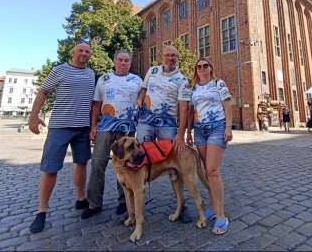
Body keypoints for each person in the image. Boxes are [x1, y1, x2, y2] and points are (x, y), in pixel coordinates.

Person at [28, 41, 96, 233]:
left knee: (81, 163)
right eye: (81, 50)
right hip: (60, 126)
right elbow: (43, 92)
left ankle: (81, 199)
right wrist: (34, 116)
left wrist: (93, 125)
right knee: (50, 168)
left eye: (87, 51)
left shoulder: (91, 74)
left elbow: (93, 102)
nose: (84, 53)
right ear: (73, 52)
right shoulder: (60, 70)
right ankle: (41, 211)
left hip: (82, 127)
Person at [80, 49, 143, 220]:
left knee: (125, 165)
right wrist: (93, 126)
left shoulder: (137, 80)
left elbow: (143, 99)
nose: (124, 63)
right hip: (105, 128)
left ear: (130, 63)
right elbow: (96, 105)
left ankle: (124, 201)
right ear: (115, 61)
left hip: (127, 130)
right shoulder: (104, 79)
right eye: (121, 60)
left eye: (127, 61)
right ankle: (94, 203)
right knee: (98, 163)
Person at [134, 45, 193, 223]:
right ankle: (137, 205)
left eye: (173, 55)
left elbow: (184, 108)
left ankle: (182, 206)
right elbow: (144, 90)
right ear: (162, 56)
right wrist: (139, 99)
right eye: (167, 55)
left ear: (177, 58)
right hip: (145, 122)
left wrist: (180, 134)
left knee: (175, 165)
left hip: (167, 126)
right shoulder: (152, 71)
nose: (170, 58)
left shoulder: (183, 80)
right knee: (140, 158)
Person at [186, 58, 232, 235]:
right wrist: (188, 132)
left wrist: (228, 127)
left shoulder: (218, 83)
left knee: (213, 170)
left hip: (217, 127)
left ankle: (221, 216)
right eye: (199, 66)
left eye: (206, 65)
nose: (202, 68)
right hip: (200, 130)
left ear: (211, 68)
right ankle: (213, 208)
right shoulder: (194, 89)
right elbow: (191, 111)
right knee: (207, 171)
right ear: (196, 70)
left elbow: (227, 105)